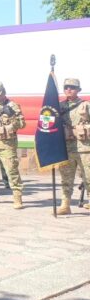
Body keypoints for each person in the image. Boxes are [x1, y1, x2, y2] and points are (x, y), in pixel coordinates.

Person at [58, 78, 90, 214]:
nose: (69, 89)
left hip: (84, 147)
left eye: (72, 87)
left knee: (88, 176)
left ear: (78, 90)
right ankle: (65, 204)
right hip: (66, 148)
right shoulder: (58, 107)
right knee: (66, 177)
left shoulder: (86, 105)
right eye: (66, 87)